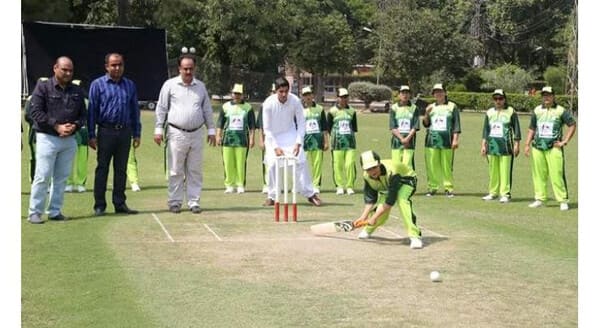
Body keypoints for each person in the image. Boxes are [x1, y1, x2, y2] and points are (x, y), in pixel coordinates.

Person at [153, 54, 216, 214]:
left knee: (194, 170)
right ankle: (175, 201)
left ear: (194, 69)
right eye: (185, 68)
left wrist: (211, 130)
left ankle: (194, 201)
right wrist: (158, 129)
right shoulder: (170, 85)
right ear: (179, 69)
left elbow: (207, 109)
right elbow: (161, 108)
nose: (188, 71)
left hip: (196, 133)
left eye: (191, 68)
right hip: (176, 132)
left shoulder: (200, 86)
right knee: (175, 169)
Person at [27, 57, 86, 224]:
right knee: (43, 176)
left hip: (69, 140)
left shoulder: (76, 90)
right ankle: (34, 212)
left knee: (61, 178)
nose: (68, 73)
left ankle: (54, 211)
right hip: (47, 138)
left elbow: (83, 114)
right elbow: (35, 112)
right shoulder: (43, 87)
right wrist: (57, 126)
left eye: (70, 70)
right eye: (64, 69)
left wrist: (74, 125)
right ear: (55, 68)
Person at [88, 53, 141, 216]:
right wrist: (91, 134)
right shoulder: (97, 85)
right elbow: (92, 111)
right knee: (102, 169)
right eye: (113, 65)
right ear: (107, 66)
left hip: (124, 132)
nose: (117, 68)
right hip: (105, 131)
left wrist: (137, 133)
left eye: (120, 65)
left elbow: (134, 110)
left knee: (121, 170)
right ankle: (99, 205)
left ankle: (119, 203)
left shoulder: (129, 85)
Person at [261, 77, 321, 207]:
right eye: (281, 91)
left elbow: (301, 123)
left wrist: (299, 142)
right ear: (275, 91)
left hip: (290, 135)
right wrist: (275, 146)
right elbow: (266, 128)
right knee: (272, 164)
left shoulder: (294, 101)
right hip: (273, 136)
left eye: (286, 91)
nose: (284, 94)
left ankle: (310, 194)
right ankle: (272, 196)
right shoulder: (268, 104)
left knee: (300, 161)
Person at [352, 150, 423, 249]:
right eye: (368, 169)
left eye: (374, 167)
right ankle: (368, 229)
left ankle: (415, 236)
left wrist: (373, 218)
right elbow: (371, 199)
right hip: (387, 185)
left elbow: (390, 202)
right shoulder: (367, 176)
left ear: (379, 164)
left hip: (406, 181)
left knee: (402, 201)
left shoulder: (392, 171)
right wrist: (363, 217)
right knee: (382, 211)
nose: (372, 172)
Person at [524, 86, 576, 210]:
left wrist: (565, 141)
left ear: (553, 96)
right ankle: (540, 199)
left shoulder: (560, 110)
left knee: (557, 174)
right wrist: (527, 144)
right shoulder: (537, 110)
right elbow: (532, 128)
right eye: (544, 95)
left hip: (554, 147)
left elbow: (572, 124)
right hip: (537, 147)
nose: (546, 97)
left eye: (548, 95)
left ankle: (562, 200)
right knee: (538, 174)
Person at [480, 89, 521, 203]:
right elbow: (485, 130)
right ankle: (493, 193)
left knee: (505, 171)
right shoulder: (489, 112)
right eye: (495, 99)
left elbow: (516, 129)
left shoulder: (511, 112)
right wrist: (483, 145)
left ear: (504, 99)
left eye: (500, 98)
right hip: (492, 147)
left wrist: (517, 145)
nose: (498, 101)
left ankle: (505, 194)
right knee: (493, 171)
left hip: (506, 147)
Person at [422, 83, 461, 197]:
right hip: (431, 141)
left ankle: (448, 188)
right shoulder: (431, 107)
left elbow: (456, 125)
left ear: (445, 93)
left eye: (440, 91)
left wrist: (455, 140)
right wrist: (426, 113)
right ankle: (432, 188)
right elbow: (426, 123)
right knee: (432, 165)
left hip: (447, 141)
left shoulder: (452, 106)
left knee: (447, 165)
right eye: (436, 92)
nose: (438, 94)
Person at [216, 83, 256, 194]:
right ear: (232, 94)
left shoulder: (248, 108)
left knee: (241, 163)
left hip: (242, 140)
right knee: (228, 163)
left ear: (242, 95)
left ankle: (240, 185)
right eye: (235, 93)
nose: (237, 96)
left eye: (239, 94)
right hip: (227, 140)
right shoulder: (225, 107)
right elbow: (220, 123)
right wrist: (218, 136)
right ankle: (229, 185)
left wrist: (252, 139)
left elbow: (252, 126)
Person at [327, 87, 358, 195]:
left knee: (350, 164)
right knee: (338, 165)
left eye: (346, 97)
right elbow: (329, 128)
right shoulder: (332, 112)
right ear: (337, 98)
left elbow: (354, 128)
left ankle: (350, 186)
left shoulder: (352, 111)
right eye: (342, 97)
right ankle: (339, 186)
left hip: (350, 143)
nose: (344, 99)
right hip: (337, 144)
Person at [301, 86, 329, 193]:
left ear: (312, 95)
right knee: (302, 165)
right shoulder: (299, 110)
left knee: (317, 164)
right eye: (305, 95)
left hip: (317, 142)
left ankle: (316, 185)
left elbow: (324, 128)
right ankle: (302, 185)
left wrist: (326, 141)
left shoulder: (320, 109)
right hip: (304, 143)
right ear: (302, 97)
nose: (307, 97)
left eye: (309, 94)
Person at [65, 79, 89, 193]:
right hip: (70, 134)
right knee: (67, 159)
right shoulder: (66, 100)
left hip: (83, 134)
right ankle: (68, 183)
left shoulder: (87, 102)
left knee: (82, 160)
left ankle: (80, 183)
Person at [389, 85, 420, 170]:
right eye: (403, 93)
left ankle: (409, 182)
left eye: (407, 93)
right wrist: (402, 139)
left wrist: (407, 139)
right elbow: (392, 127)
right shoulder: (394, 108)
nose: (405, 95)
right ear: (399, 95)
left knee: (407, 165)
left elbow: (415, 126)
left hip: (410, 141)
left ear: (410, 95)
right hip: (396, 141)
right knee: (396, 165)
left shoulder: (414, 108)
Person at [256, 84, 276, 193]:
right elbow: (261, 125)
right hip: (268, 139)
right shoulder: (264, 106)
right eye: (272, 91)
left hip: (280, 139)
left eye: (275, 91)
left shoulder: (284, 104)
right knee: (268, 162)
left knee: (280, 163)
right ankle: (267, 184)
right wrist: (261, 140)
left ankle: (278, 185)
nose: (274, 93)